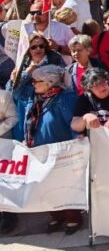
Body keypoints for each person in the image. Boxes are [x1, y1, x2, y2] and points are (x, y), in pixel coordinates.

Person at [12, 64, 80, 233]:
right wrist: (26, 73)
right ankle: (56, 215)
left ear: (49, 82)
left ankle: (73, 217)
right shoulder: (34, 97)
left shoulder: (65, 98)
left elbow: (72, 122)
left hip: (60, 150)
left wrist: (76, 144)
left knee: (63, 184)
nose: (33, 84)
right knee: (45, 184)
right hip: (37, 149)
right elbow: (17, 92)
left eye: (36, 81)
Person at [70, 67, 109, 134]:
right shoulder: (85, 98)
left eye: (103, 82)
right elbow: (74, 125)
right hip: (96, 137)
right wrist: (85, 117)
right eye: (96, 85)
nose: (101, 87)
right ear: (89, 89)